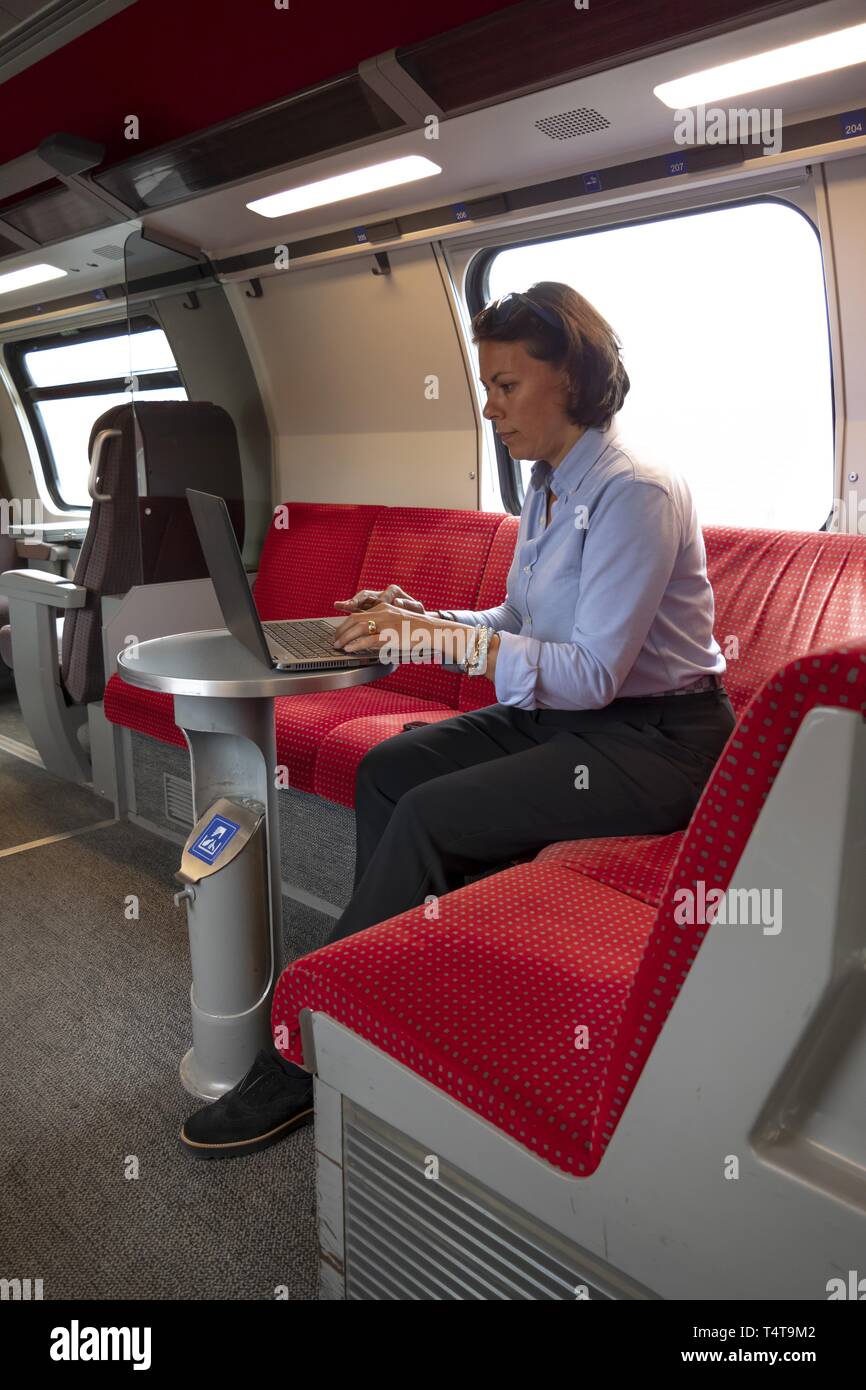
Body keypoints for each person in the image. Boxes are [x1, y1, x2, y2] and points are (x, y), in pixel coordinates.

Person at [179, 281, 735, 1159]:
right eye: (487, 385)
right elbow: (514, 626)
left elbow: (591, 674)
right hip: (572, 721)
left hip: (656, 741)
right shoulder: (548, 490)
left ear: (574, 380)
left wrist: (431, 641)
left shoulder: (637, 495)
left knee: (435, 816)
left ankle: (304, 1052)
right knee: (387, 770)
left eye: (507, 385)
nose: (489, 406)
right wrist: (419, 615)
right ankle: (394, 984)